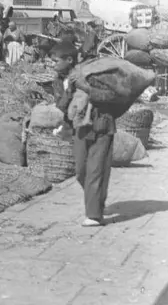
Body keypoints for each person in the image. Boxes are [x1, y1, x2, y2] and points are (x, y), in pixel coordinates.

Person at [50, 41, 116, 227]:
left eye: (56, 61)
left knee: (96, 169)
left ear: (69, 60)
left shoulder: (89, 73)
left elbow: (108, 96)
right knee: (80, 172)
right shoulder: (58, 82)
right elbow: (61, 106)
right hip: (80, 127)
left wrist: (85, 87)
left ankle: (94, 215)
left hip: (102, 125)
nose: (53, 65)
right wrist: (70, 89)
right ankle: (97, 199)